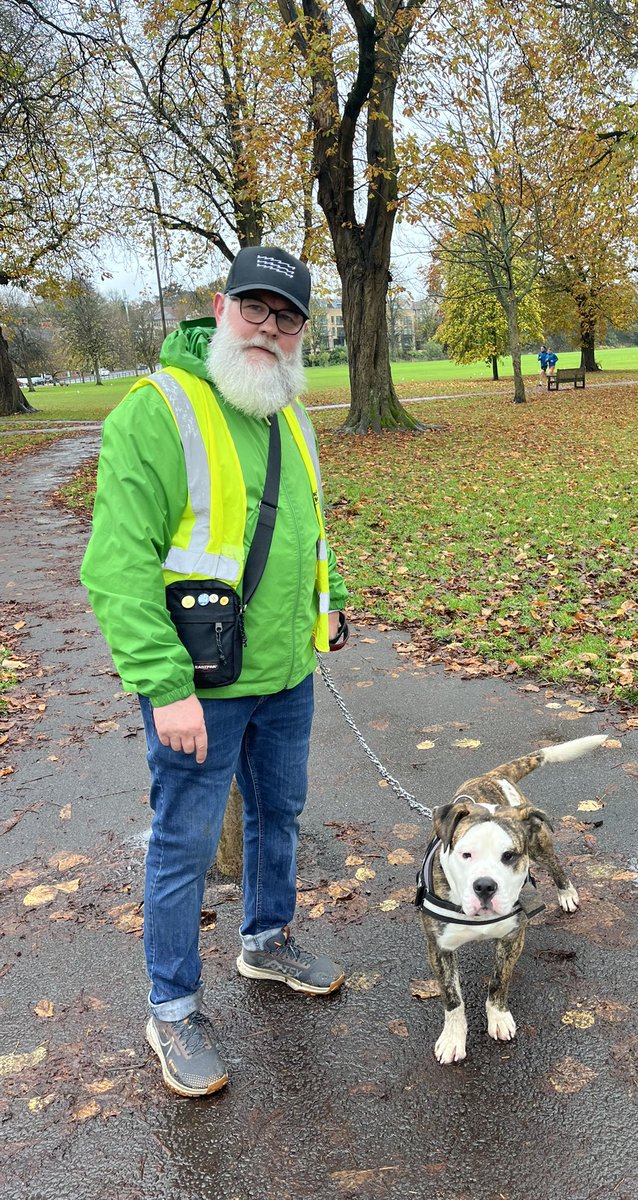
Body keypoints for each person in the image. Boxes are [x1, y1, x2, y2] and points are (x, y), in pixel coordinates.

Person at [81, 245, 350, 1099]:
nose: (270, 329)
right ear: (220, 304)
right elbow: (116, 567)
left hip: (285, 674)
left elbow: (307, 530)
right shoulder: (157, 410)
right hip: (198, 688)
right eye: (256, 308)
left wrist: (330, 600)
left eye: (288, 316)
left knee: (282, 816)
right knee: (185, 845)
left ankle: (266, 941)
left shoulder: (289, 412)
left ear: (305, 329)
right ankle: (172, 1006)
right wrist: (164, 687)